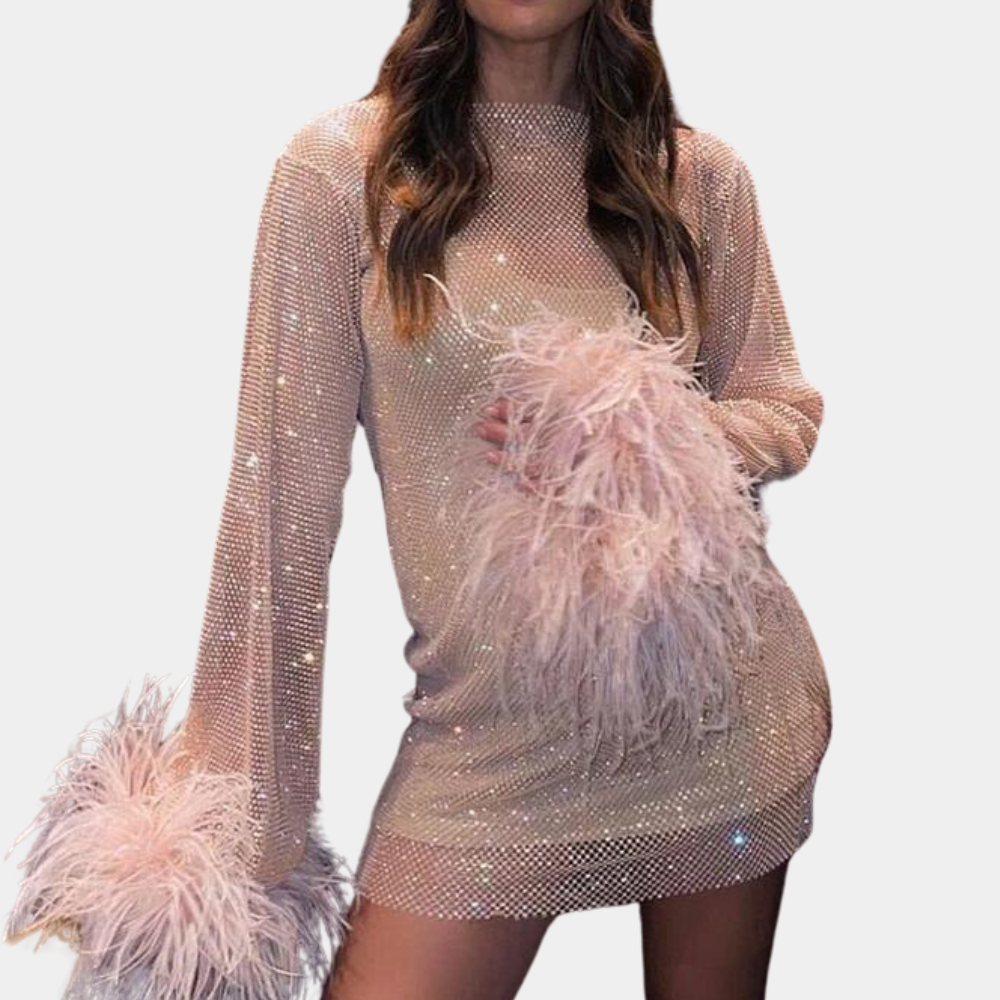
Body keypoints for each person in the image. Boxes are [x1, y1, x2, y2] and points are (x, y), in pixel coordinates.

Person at [2, 3, 832, 999]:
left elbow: (781, 405)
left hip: (717, 721)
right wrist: (244, 829)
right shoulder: (339, 175)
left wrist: (635, 433)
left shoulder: (697, 177)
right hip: (485, 747)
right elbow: (280, 514)